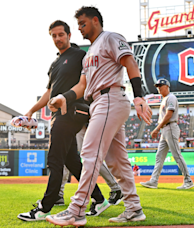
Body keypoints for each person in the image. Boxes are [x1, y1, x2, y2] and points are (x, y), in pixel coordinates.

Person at [46, 6, 152, 227]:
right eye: (78, 25)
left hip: (111, 97)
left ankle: (77, 210)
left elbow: (129, 62)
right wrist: (64, 97)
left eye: (83, 24)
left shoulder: (110, 38)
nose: (80, 29)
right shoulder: (89, 54)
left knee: (90, 152)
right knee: (117, 162)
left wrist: (139, 96)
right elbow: (82, 85)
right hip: (99, 102)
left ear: (96, 20)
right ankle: (134, 208)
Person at [17, 20, 109, 222]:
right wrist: (31, 110)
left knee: (54, 159)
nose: (57, 38)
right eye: (54, 35)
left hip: (73, 111)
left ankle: (44, 208)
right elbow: (50, 91)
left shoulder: (79, 56)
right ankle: (99, 199)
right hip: (58, 114)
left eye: (61, 34)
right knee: (72, 162)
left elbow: (88, 83)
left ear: (69, 35)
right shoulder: (55, 64)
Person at [140, 79, 194, 190]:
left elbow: (169, 114)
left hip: (170, 127)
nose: (158, 88)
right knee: (159, 156)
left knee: (176, 155)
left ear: (167, 86)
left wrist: (157, 129)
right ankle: (153, 181)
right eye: (157, 86)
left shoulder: (171, 97)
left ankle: (188, 180)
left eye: (161, 86)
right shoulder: (165, 99)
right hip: (165, 130)